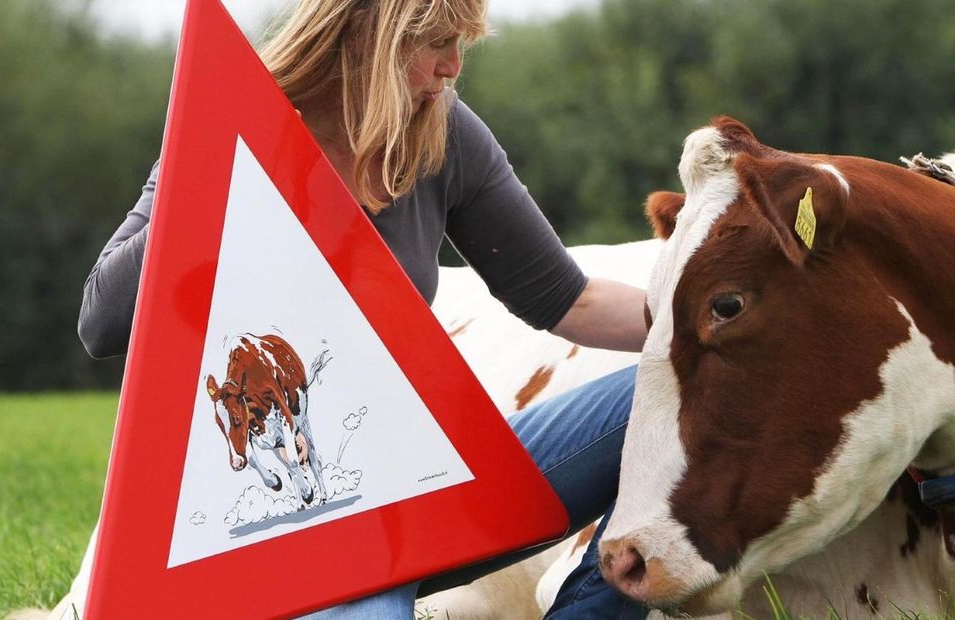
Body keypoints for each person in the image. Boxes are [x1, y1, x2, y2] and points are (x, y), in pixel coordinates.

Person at [78, 0, 649, 617]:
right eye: (437, 43)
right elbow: (102, 321)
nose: (453, 67)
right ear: (368, 37)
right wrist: (226, 162)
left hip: (416, 485)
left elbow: (570, 299)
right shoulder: (233, 124)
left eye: (461, 45)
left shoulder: (446, 135)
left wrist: (721, 319)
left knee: (676, 395)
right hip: (284, 518)